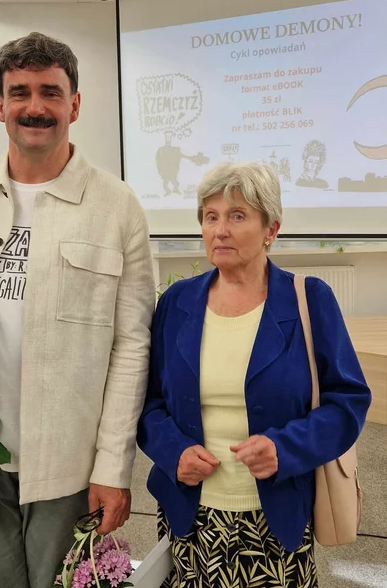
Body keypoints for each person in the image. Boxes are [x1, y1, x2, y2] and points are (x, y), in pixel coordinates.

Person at [0, 32, 155, 588]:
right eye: (20, 92)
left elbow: (132, 346)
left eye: (50, 92)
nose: (35, 107)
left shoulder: (116, 207)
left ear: (74, 104)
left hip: (70, 459)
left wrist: (113, 466)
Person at [137, 162, 371, 588]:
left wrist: (285, 448)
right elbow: (149, 403)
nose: (220, 230)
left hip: (275, 521)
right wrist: (173, 452)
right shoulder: (176, 302)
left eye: (237, 216)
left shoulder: (309, 299)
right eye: (211, 217)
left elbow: (347, 403)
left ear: (271, 229)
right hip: (191, 518)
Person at [155, 131, 208, 196]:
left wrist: (193, 159)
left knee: (175, 182)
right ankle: (169, 191)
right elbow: (158, 161)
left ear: (171, 138)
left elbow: (183, 156)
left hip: (172, 171)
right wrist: (159, 170)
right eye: (167, 136)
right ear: (165, 137)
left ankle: (175, 190)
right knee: (165, 184)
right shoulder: (161, 150)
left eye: (169, 136)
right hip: (165, 171)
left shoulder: (175, 150)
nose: (168, 138)